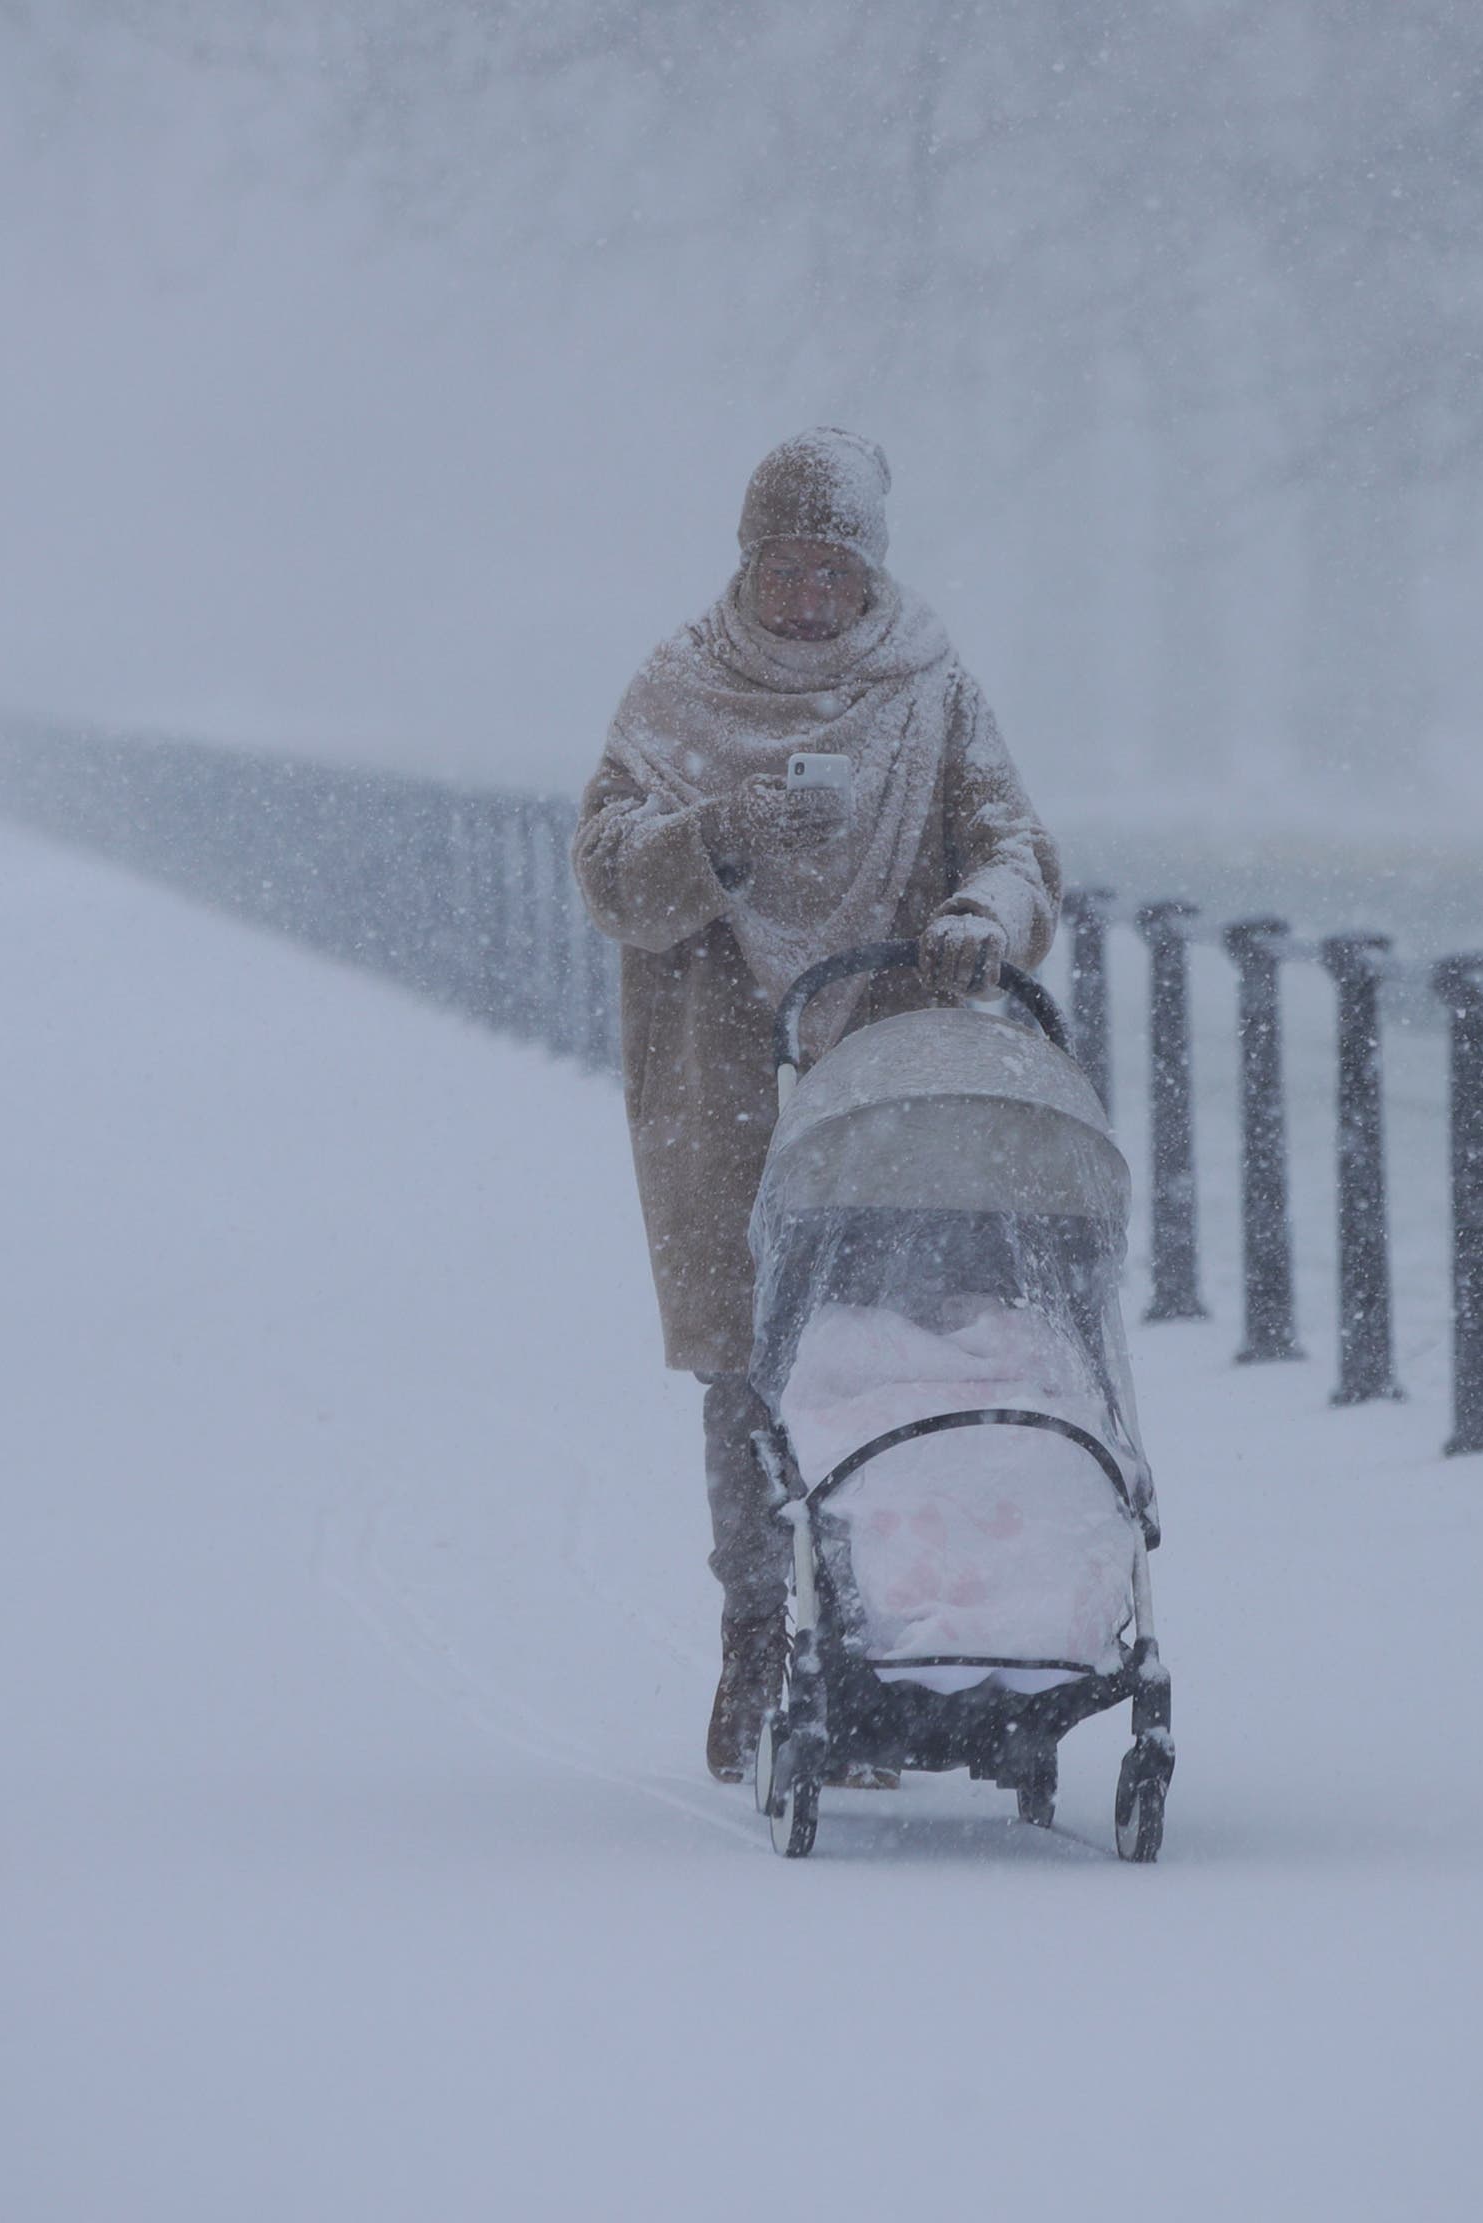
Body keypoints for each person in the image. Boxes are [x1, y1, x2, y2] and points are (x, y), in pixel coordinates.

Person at [572, 428, 1063, 1783]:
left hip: (892, 1069)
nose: (805, 597)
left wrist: (979, 915)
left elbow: (1014, 847)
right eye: (781, 568)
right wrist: (711, 834)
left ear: (868, 576)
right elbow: (609, 872)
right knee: (746, 1357)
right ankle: (756, 1628)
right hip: (716, 1071)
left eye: (830, 571)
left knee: (892, 1341)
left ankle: (895, 1624)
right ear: (745, 565)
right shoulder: (676, 690)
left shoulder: (928, 688)